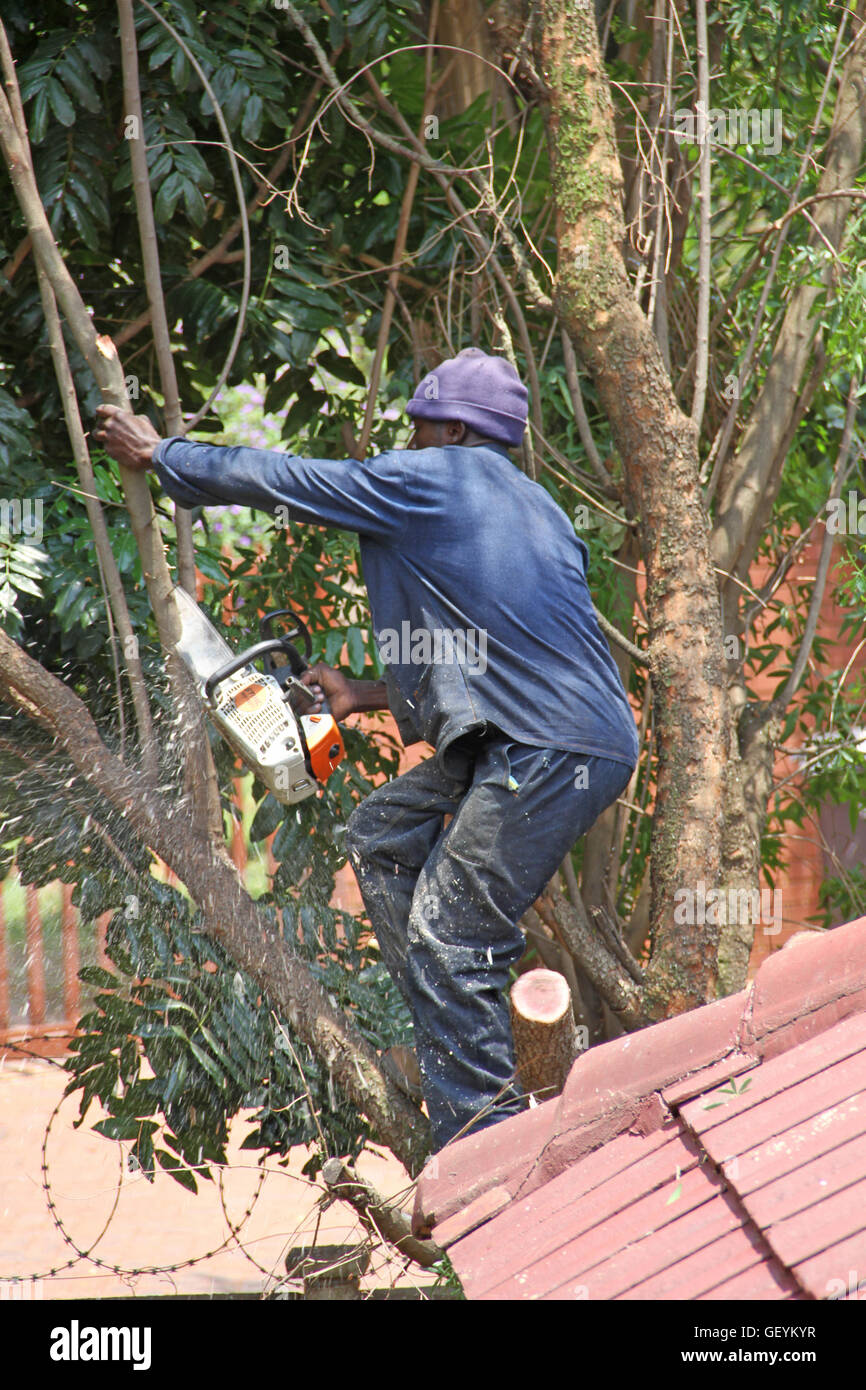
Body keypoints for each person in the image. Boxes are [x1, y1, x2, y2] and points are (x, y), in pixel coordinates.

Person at [94, 348, 639, 1151]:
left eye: (419, 425)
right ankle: (453, 1026)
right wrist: (360, 696)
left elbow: (299, 481)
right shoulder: (536, 511)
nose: (408, 441)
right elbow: (498, 651)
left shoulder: (438, 479)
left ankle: (482, 1146)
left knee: (453, 933)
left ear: (454, 427)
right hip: (547, 734)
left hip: (547, 749)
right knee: (382, 836)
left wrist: (163, 455)